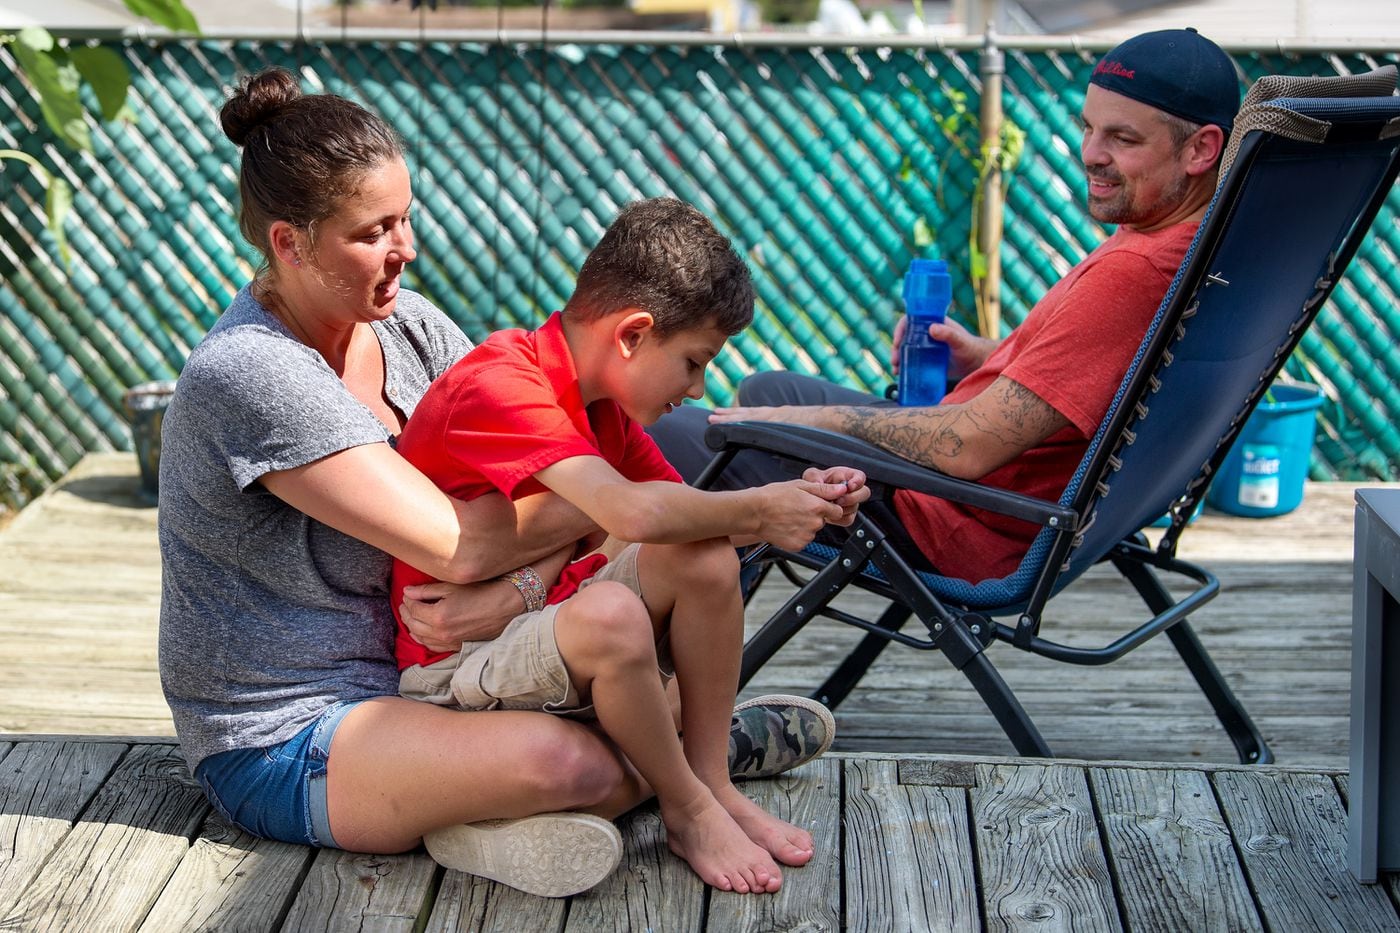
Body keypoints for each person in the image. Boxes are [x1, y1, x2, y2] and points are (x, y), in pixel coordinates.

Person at [156, 67, 842, 901]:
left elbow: (538, 495)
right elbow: (467, 539)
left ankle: (622, 776)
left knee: (662, 601)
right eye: (373, 231)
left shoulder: (407, 323)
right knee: (572, 757)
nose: (404, 248)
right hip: (291, 731)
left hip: (450, 668)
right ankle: (694, 759)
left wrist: (525, 586)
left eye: (405, 218)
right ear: (288, 244)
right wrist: (592, 513)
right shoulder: (253, 372)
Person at [389, 197, 867, 894]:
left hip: (542, 631)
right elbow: (631, 510)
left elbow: (685, 518)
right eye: (693, 362)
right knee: (614, 610)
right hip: (452, 671)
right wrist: (765, 508)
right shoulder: (502, 383)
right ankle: (686, 803)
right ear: (633, 334)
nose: (697, 387)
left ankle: (709, 778)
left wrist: (808, 499)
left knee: (701, 554)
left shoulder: (603, 407)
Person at [648, 28, 1241, 584]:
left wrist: (787, 428)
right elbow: (1097, 379)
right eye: (1089, 128)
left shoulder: (1136, 271)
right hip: (999, 496)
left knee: (669, 430)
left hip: (955, 519)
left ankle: (632, 658)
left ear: (1200, 150)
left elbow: (969, 447)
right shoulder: (1187, 242)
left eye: (1123, 139)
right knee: (766, 390)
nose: (1091, 153)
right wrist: (982, 357)